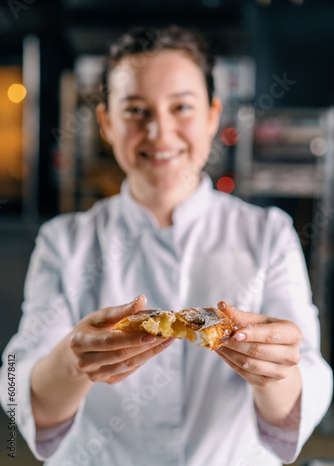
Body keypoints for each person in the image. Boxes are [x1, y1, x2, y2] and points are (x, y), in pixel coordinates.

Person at [0, 25, 332, 466]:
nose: (159, 130)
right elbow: (13, 382)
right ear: (106, 122)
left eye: (182, 107)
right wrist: (72, 361)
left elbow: (307, 384)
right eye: (136, 110)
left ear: (213, 115)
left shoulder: (269, 233)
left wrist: (271, 370)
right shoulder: (64, 241)